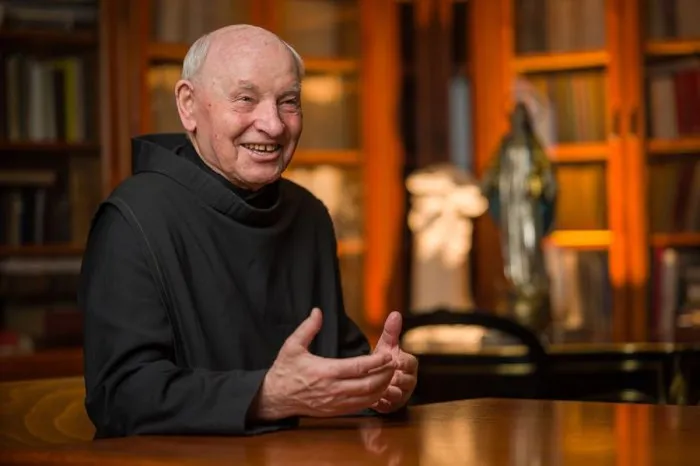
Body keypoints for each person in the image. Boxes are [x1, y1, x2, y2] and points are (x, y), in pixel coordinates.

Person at [78, 24, 418, 438]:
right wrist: (267, 396)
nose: (273, 125)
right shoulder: (133, 218)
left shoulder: (308, 214)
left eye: (288, 102)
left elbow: (333, 367)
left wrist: (377, 385)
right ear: (188, 105)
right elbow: (120, 397)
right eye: (245, 99)